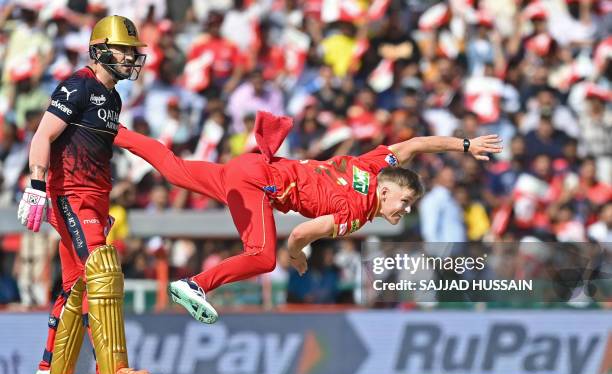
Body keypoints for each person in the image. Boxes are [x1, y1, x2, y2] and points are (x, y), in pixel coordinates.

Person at [115, 111, 502, 323]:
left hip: (251, 169)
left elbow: (415, 145)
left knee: (173, 168)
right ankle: (194, 285)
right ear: (385, 190)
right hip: (260, 182)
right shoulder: (358, 211)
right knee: (264, 257)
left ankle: (114, 130)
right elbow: (300, 233)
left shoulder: (370, 165)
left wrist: (465, 145)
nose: (406, 209)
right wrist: (298, 255)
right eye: (404, 200)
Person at [16, 15, 149, 374]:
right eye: (123, 51)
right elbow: (43, 134)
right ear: (100, 50)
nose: (130, 58)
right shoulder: (78, 86)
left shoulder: (114, 97)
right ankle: (112, 372)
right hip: (71, 195)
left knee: (75, 286)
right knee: (102, 271)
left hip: (93, 197)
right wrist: (37, 185)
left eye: (131, 52)